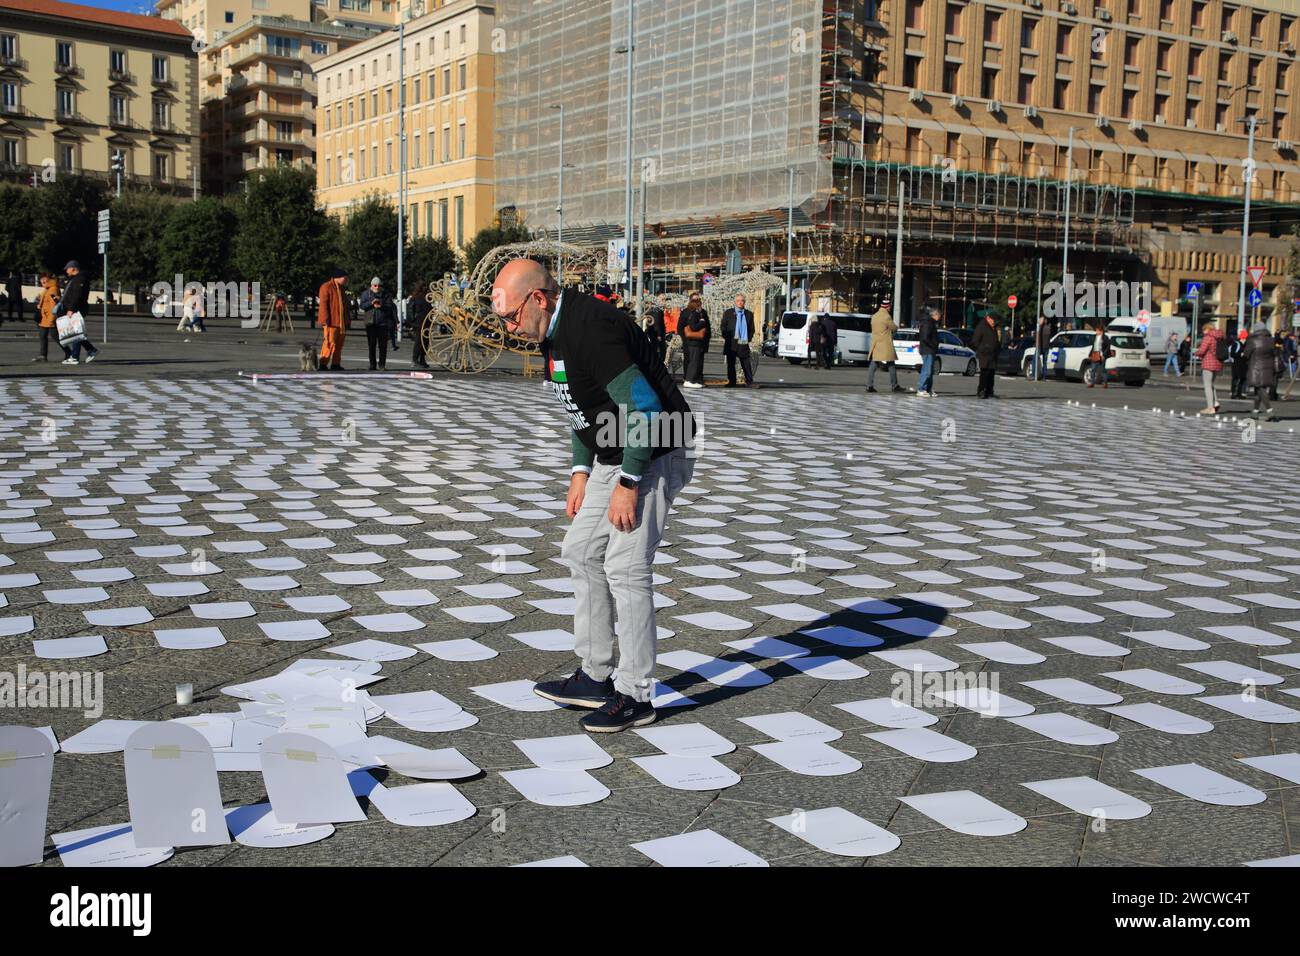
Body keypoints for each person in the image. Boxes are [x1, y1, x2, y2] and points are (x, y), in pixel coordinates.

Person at [490, 259, 694, 733]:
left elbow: (644, 409)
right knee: (581, 550)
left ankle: (636, 693)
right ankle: (595, 675)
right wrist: (581, 470)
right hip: (615, 446)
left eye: (511, 317)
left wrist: (628, 483)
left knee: (625, 566)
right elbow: (579, 405)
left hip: (659, 443)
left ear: (538, 299)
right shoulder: (552, 336)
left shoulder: (592, 329)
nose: (509, 329)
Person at [53, 260, 99, 365]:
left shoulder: (80, 279)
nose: (66, 271)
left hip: (77, 309)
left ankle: (75, 356)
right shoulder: (75, 279)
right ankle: (91, 350)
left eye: (67, 269)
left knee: (75, 332)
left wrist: (71, 309)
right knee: (75, 331)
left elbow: (77, 296)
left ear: (73, 268)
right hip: (73, 308)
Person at [1243, 322, 1278, 421]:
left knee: (1260, 389)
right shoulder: (1271, 340)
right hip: (1268, 367)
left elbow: (1247, 354)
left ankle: (1270, 411)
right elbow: (1275, 353)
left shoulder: (1253, 340)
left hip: (1256, 368)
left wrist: (1244, 353)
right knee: (1258, 390)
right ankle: (1255, 412)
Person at [359, 276, 395, 371]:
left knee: (383, 345)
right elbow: (362, 305)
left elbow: (390, 306)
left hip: (383, 323)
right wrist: (371, 303)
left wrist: (381, 304)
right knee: (371, 345)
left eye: (379, 285)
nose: (377, 287)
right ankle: (372, 364)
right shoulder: (366, 294)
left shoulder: (386, 294)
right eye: (375, 285)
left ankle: (382, 364)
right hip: (370, 323)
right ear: (371, 285)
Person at [866, 296, 901, 392]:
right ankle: (895, 385)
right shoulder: (886, 316)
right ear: (887, 307)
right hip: (885, 344)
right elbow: (894, 328)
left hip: (875, 343)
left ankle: (869, 385)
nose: (890, 308)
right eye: (889, 307)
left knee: (873, 365)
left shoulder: (875, 316)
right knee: (891, 364)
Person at [721, 293, 756, 387]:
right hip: (731, 342)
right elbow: (723, 327)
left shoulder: (749, 314)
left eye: (742, 301)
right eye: (738, 301)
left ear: (744, 302)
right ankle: (732, 381)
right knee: (731, 363)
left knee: (746, 362)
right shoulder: (728, 313)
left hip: (743, 341)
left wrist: (748, 338)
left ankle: (749, 381)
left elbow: (752, 329)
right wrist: (727, 337)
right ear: (735, 302)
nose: (740, 302)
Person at [317, 268, 348, 371]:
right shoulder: (326, 287)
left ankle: (335, 364)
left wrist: (347, 320)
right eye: (344, 277)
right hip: (331, 322)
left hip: (341, 323)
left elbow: (345, 306)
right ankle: (323, 363)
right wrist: (324, 319)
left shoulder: (342, 288)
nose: (346, 279)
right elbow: (323, 305)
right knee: (329, 343)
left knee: (339, 344)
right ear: (337, 277)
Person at [34, 273, 68, 362]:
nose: (43, 282)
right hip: (45, 317)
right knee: (43, 335)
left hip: (50, 317)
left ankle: (68, 352)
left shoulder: (53, 289)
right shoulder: (47, 289)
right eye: (41, 281)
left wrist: (51, 319)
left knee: (55, 336)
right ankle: (43, 355)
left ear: (49, 280)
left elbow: (54, 305)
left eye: (45, 281)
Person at [1193, 320, 1225, 413]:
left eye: (1204, 330)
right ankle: (1215, 403)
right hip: (1217, 363)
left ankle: (1210, 408)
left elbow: (1202, 350)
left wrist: (1195, 352)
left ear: (1208, 329)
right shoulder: (1220, 337)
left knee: (1207, 385)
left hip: (1208, 363)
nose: (1203, 332)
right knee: (1211, 384)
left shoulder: (1208, 337)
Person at [679, 291, 709, 389]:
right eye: (696, 300)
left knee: (698, 361)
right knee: (691, 361)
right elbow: (687, 327)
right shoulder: (689, 313)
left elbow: (707, 327)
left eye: (699, 300)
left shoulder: (701, 312)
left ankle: (696, 379)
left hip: (700, 341)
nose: (698, 302)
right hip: (690, 341)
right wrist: (702, 322)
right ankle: (689, 379)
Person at [972, 312, 1000, 398]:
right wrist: (983, 349)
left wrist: (998, 348)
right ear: (988, 318)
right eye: (993, 320)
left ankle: (989, 391)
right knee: (984, 373)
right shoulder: (982, 326)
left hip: (992, 354)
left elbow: (995, 340)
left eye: (995, 321)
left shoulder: (994, 327)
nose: (994, 322)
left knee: (991, 374)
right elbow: (975, 341)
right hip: (984, 354)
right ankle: (981, 391)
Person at [916, 305, 940, 396]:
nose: (940, 317)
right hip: (927, 349)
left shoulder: (931, 322)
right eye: (939, 315)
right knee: (927, 370)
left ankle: (928, 389)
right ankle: (921, 389)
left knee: (930, 370)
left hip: (930, 350)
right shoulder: (928, 323)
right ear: (935, 314)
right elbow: (925, 337)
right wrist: (933, 345)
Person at [409, 280, 430, 368]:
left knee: (425, 342)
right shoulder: (415, 298)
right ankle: (414, 359)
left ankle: (422, 358)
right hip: (419, 322)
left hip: (426, 322)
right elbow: (411, 310)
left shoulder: (426, 297)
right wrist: (412, 323)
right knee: (419, 341)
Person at [1086, 321, 1111, 388]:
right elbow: (1093, 346)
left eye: (1097, 330)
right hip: (1095, 354)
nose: (1096, 332)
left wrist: (1104, 355)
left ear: (1101, 331)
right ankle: (1091, 382)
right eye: (1096, 330)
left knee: (1102, 369)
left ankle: (1105, 383)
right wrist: (1090, 355)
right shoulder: (1095, 337)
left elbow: (1108, 347)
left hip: (1101, 355)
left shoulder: (1105, 338)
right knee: (1093, 369)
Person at [645, 294, 667, 366]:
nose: (664, 301)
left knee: (654, 348)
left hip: (652, 332)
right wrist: (659, 334)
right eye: (663, 300)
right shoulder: (657, 311)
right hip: (656, 333)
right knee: (661, 349)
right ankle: (659, 364)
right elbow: (657, 323)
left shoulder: (652, 310)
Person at [1228, 329, 1249, 398]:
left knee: (1242, 379)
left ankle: (1239, 393)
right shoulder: (1236, 344)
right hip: (1236, 364)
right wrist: (1240, 354)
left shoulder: (1247, 344)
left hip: (1244, 364)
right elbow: (1232, 354)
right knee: (1235, 378)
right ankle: (1233, 393)